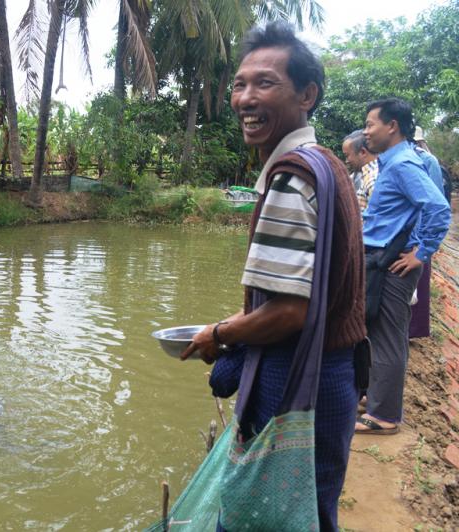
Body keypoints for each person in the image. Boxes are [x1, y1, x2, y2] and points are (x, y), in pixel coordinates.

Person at [180, 21, 366, 532]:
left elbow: (289, 312)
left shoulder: (290, 178)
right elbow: (306, 291)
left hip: (297, 381)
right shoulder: (327, 164)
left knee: (262, 516)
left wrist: (219, 335)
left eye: (265, 83)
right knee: (308, 512)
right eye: (240, 84)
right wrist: (238, 321)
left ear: (307, 95)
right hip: (333, 374)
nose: (246, 97)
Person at [357, 98, 451, 435]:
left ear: (392, 126)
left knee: (387, 336)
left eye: (370, 124)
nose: (366, 132)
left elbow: (438, 208)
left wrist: (420, 253)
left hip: (393, 263)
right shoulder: (394, 161)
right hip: (384, 258)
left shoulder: (402, 164)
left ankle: (384, 416)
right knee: (380, 332)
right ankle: (377, 398)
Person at [408, 126, 446, 338]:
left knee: (419, 283)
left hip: (420, 234)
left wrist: (426, 241)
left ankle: (414, 330)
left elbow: (436, 203)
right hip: (408, 233)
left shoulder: (428, 161)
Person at [342, 130, 378, 210]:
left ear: (362, 152)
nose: (346, 161)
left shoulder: (372, 179)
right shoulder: (360, 175)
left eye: (347, 155)